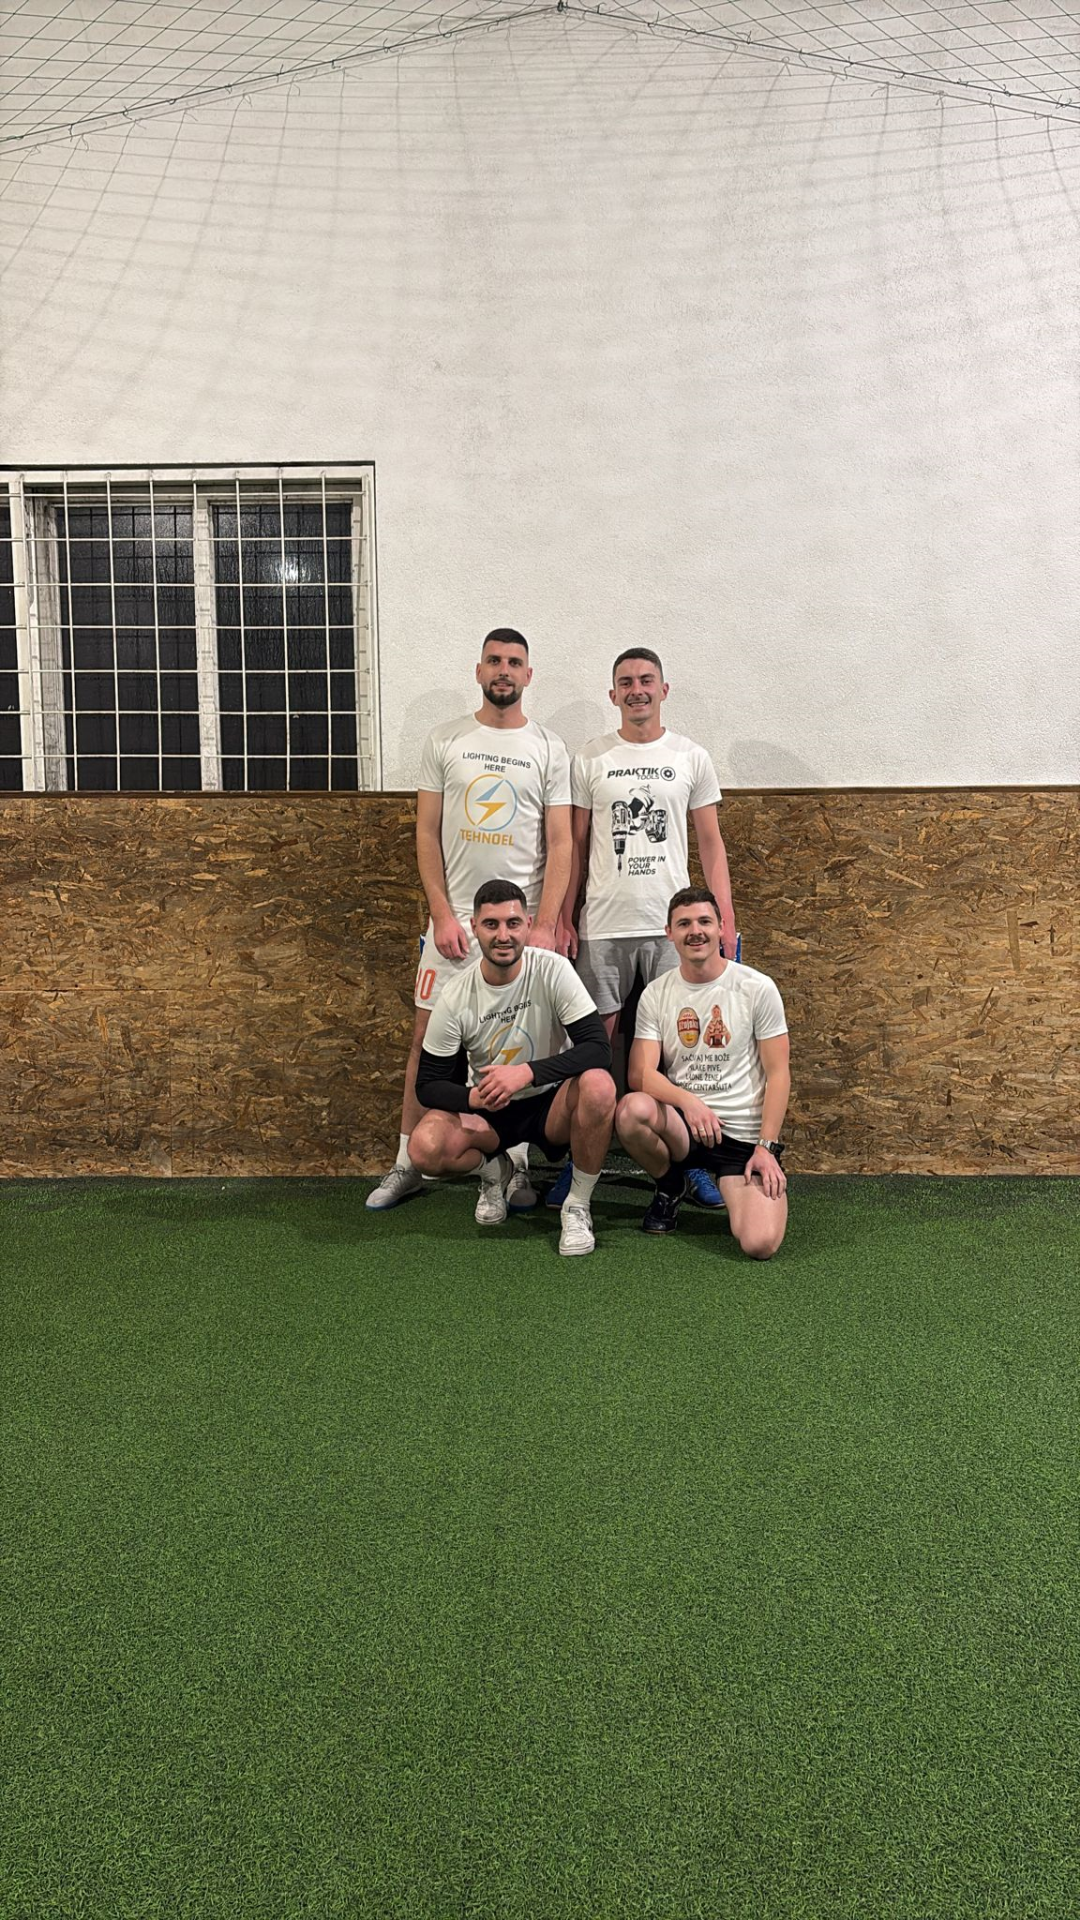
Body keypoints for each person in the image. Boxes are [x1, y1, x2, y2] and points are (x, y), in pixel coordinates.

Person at [367, 630, 572, 1210]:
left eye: (515, 662)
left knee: (518, 1046)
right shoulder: (445, 740)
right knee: (423, 1042)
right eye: (494, 661)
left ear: (528, 675)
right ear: (478, 670)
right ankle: (407, 1163)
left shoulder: (550, 748)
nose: (504, 670)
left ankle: (517, 1167)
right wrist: (440, 914)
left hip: (519, 930)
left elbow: (561, 842)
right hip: (455, 927)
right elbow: (426, 832)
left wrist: (544, 924)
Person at [554, 647, 737, 1210]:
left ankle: (692, 1159)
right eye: (626, 682)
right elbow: (575, 845)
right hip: (603, 924)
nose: (637, 689)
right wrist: (562, 916)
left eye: (646, 680)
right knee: (594, 1045)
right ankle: (578, 1160)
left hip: (670, 928)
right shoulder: (590, 757)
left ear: (663, 689)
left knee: (681, 1046)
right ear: (613, 694)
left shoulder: (690, 756)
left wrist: (726, 920)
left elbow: (711, 844)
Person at [409, 881, 616, 1255]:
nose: (503, 935)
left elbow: (599, 1050)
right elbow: (427, 1085)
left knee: (600, 1086)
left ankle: (577, 1205)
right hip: (491, 1112)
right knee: (424, 1148)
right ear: (475, 927)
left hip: (550, 1106)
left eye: (513, 923)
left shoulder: (553, 970)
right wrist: (474, 1098)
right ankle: (496, 1172)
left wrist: (527, 1072)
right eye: (491, 924)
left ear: (528, 924)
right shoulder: (455, 994)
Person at [616, 887, 789, 1258]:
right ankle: (670, 1185)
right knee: (632, 1111)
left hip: (741, 1137)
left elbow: (778, 1074)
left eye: (704, 922)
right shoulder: (656, 994)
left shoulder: (757, 988)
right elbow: (640, 1074)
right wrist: (688, 1103)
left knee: (760, 1243)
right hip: (686, 1128)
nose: (695, 931)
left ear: (721, 927)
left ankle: (741, 1177)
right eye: (684, 924)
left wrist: (767, 1147)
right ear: (669, 933)